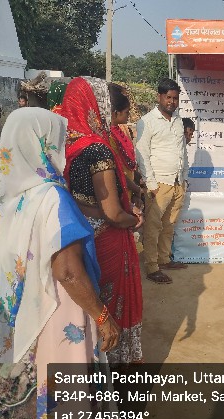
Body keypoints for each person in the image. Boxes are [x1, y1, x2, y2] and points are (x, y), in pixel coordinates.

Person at [0, 107, 121, 419]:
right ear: (42, 143)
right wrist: (103, 316)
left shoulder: (0, 193)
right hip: (56, 307)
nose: (62, 147)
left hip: (17, 307)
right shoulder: (52, 198)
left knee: (30, 376)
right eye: (56, 139)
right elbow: (68, 270)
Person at [61, 77, 145, 363]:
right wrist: (133, 219)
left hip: (82, 234)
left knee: (93, 305)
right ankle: (119, 366)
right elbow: (112, 213)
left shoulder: (67, 144)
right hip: (108, 239)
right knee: (113, 306)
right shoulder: (97, 149)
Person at [135, 78, 188, 284]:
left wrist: (184, 178)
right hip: (159, 183)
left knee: (169, 225)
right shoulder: (147, 121)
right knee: (153, 227)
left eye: (175, 98)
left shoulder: (179, 120)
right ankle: (151, 266)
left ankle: (164, 259)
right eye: (168, 97)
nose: (172, 102)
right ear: (159, 97)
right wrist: (151, 184)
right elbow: (142, 154)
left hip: (177, 182)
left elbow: (182, 151)